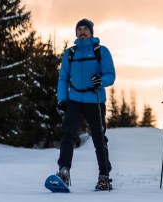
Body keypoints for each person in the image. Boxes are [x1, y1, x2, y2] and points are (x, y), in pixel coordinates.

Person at [55, 18, 116, 191]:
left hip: (94, 100)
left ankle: (104, 176)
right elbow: (63, 78)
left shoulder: (101, 51)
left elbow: (110, 75)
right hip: (74, 100)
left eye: (85, 29)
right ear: (76, 33)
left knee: (99, 139)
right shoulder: (70, 53)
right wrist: (61, 99)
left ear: (91, 32)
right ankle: (63, 172)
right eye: (79, 29)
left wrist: (101, 80)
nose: (82, 32)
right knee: (67, 135)